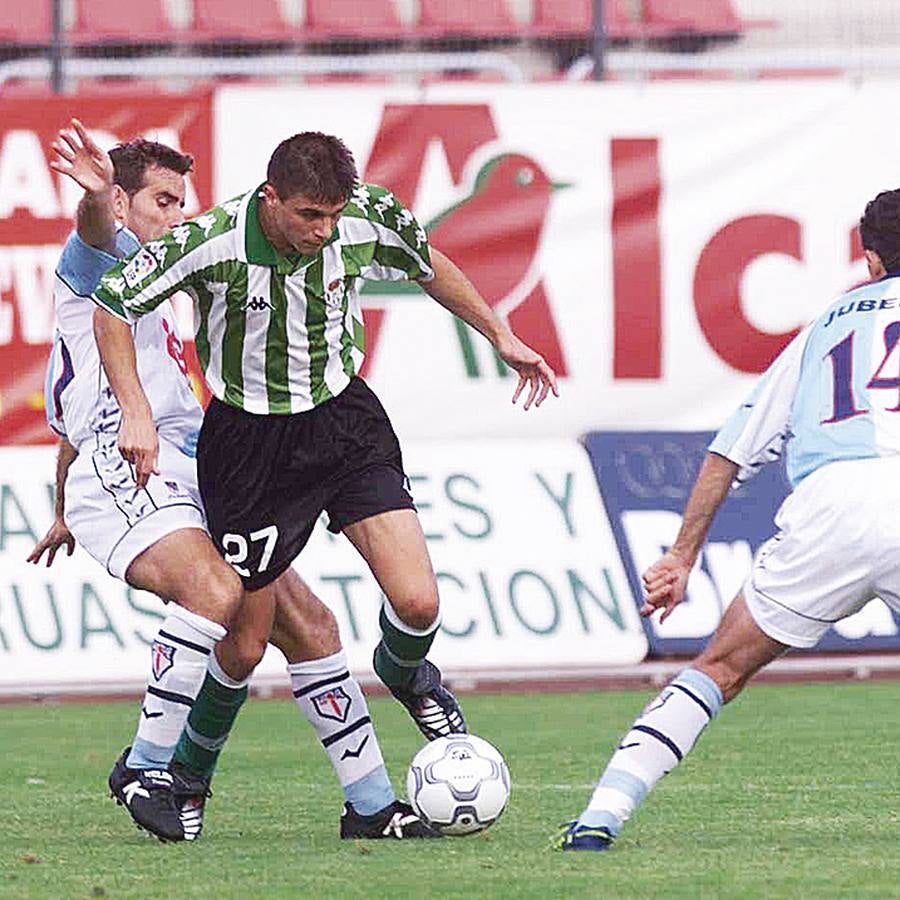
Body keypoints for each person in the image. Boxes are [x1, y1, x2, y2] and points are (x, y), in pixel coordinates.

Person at [558, 186, 900, 851]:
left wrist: (682, 554)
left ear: (867, 260)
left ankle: (597, 819)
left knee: (715, 669)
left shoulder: (823, 328)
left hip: (822, 511)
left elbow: (729, 449)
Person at [89, 129, 558, 825]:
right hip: (250, 445)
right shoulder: (212, 239)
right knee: (244, 644)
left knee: (419, 602)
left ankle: (403, 672)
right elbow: (111, 305)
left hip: (343, 422)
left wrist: (499, 335)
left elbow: (427, 263)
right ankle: (187, 773)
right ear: (271, 198)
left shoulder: (367, 214)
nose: (325, 230)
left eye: (335, 215)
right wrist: (136, 413)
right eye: (311, 215)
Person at [32, 121, 443, 844]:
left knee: (307, 627)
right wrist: (99, 197)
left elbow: (67, 410)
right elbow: (96, 233)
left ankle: (373, 807)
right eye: (162, 201)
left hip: (187, 465)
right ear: (124, 207)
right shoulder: (103, 256)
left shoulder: (176, 263)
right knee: (216, 596)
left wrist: (61, 506)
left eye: (183, 201)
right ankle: (148, 767)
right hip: (127, 465)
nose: (178, 215)